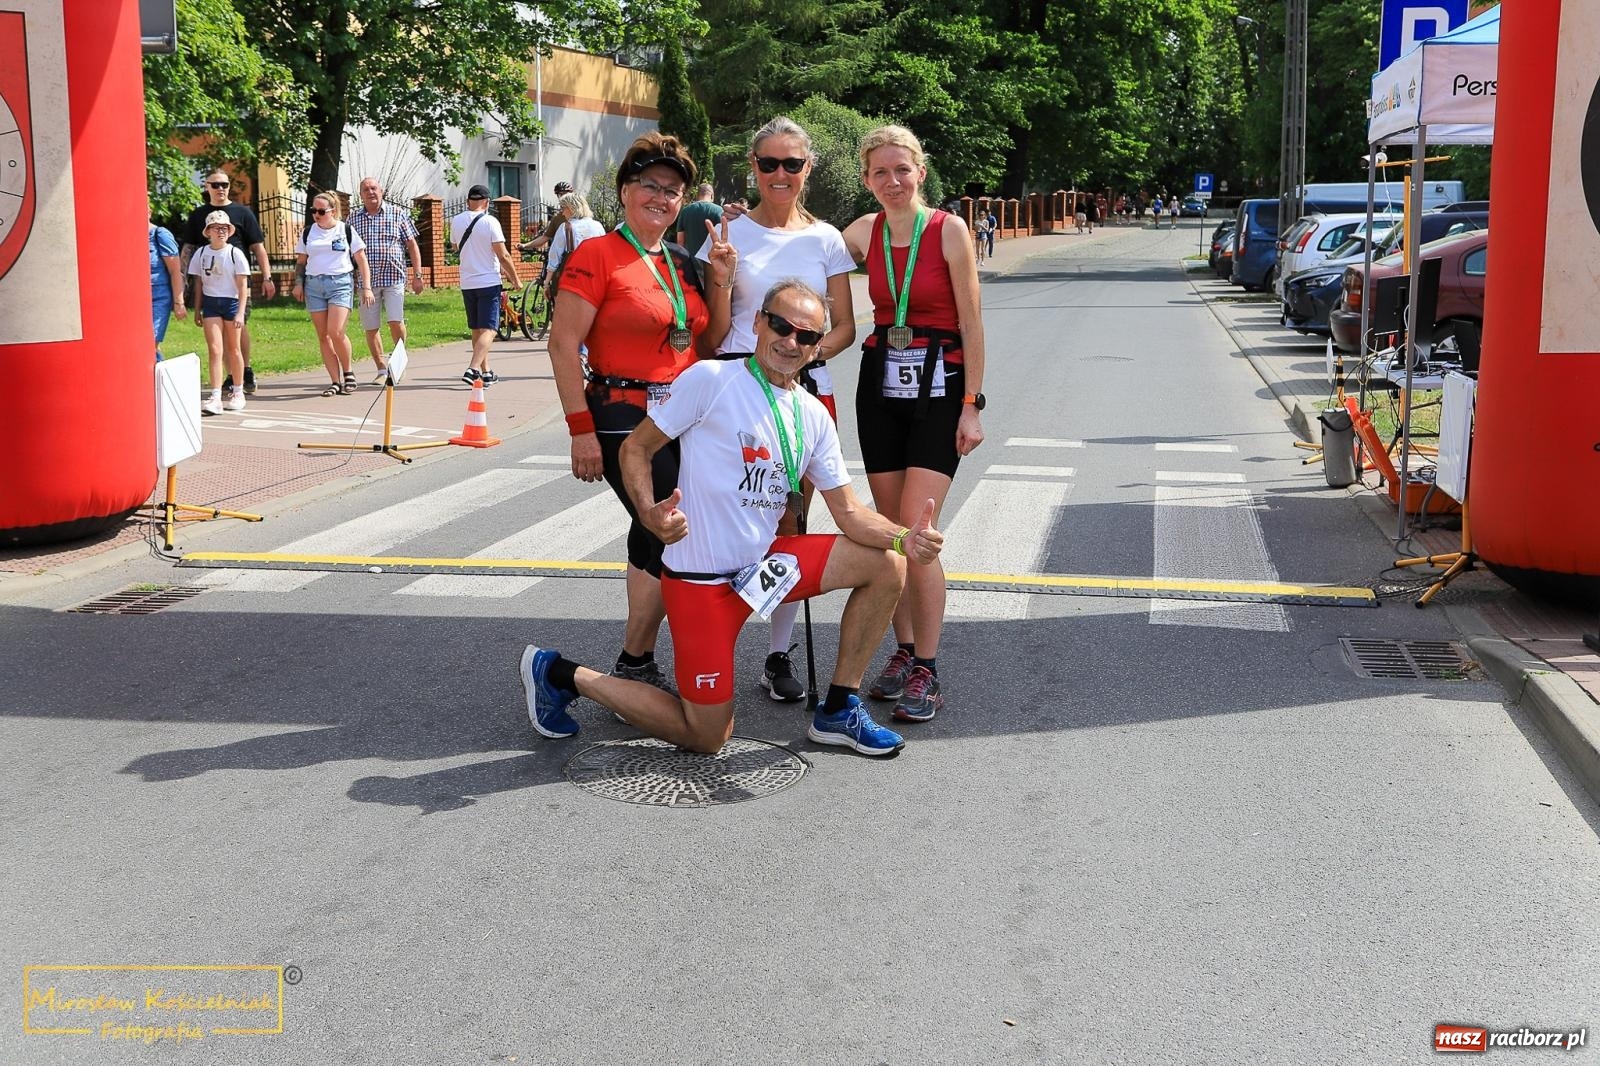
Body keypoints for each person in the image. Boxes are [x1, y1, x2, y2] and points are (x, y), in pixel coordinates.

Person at [520, 280, 943, 758]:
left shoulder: (813, 415)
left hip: (761, 568)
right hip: (702, 583)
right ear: (759, 322)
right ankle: (558, 673)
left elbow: (848, 512)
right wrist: (648, 514)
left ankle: (840, 709)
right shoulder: (710, 380)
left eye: (806, 336)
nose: (790, 341)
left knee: (888, 563)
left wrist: (906, 537)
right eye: (781, 325)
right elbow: (637, 448)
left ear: (816, 347)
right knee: (707, 737)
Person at [547, 132, 736, 694]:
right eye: (650, 185)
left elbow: (710, 341)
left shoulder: (680, 260)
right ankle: (660, 658)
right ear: (626, 191)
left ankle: (636, 659)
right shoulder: (595, 254)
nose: (661, 196)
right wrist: (581, 431)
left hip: (682, 414)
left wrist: (721, 282)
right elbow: (562, 345)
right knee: (672, 524)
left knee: (649, 529)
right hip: (620, 414)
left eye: (672, 190)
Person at [697, 115, 857, 704]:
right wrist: (720, 277)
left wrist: (802, 360)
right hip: (738, 386)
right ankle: (709, 634)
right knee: (731, 516)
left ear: (808, 168)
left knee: (791, 519)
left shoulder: (826, 239)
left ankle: (776, 652)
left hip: (806, 387)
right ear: (753, 168)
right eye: (769, 164)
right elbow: (714, 333)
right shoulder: (727, 232)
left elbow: (845, 326)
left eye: (792, 163)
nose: (781, 174)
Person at [841, 124, 986, 723]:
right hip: (880, 385)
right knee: (891, 533)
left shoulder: (949, 231)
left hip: (940, 386)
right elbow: (797, 241)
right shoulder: (860, 232)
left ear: (920, 171)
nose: (892, 181)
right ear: (866, 180)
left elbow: (973, 323)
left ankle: (927, 665)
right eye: (880, 172)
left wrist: (973, 402)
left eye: (902, 170)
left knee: (919, 530)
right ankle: (902, 652)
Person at [180, 170, 275, 395]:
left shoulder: (242, 213)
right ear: (207, 187)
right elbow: (188, 249)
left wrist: (267, 277)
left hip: (237, 280)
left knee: (239, 325)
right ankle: (231, 376)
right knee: (219, 334)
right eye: (216, 185)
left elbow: (258, 247)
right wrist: (182, 279)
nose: (220, 189)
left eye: (224, 184)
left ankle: (244, 370)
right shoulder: (199, 215)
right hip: (212, 282)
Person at [292, 192, 374, 395]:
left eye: (321, 211)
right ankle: (335, 381)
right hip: (314, 285)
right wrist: (298, 284)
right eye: (313, 211)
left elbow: (361, 259)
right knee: (323, 336)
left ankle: (348, 373)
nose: (316, 215)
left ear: (333, 211)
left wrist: (366, 287)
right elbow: (301, 262)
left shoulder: (345, 230)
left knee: (336, 332)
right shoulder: (308, 232)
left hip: (340, 283)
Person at [348, 177, 424, 384]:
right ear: (361, 194)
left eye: (373, 188)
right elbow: (347, 251)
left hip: (394, 278)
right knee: (371, 327)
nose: (370, 192)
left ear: (381, 191)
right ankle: (381, 369)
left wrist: (417, 276)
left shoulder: (398, 214)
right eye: (365, 189)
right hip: (366, 285)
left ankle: (399, 362)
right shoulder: (353, 219)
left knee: (395, 321)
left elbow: (412, 245)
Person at [450, 184, 521, 386]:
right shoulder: (491, 222)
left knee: (477, 329)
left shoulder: (456, 220)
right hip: (488, 282)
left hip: (467, 282)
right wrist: (515, 279)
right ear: (487, 202)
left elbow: (456, 246)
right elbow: (503, 254)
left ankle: (486, 372)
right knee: (490, 329)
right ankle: (473, 369)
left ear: (467, 202)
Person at [187, 211, 250, 415]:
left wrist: (241, 312)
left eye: (224, 228)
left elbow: (242, 286)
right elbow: (198, 283)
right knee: (215, 350)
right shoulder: (201, 253)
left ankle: (238, 391)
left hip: (231, 302)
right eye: (216, 228)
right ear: (208, 232)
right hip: (211, 303)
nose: (221, 231)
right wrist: (197, 309)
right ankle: (215, 395)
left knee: (234, 349)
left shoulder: (235, 253)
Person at [543, 191, 606, 296]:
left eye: (563, 208)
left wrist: (546, 283)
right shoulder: (597, 226)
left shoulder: (566, 228)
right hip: (595, 280)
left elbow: (554, 257)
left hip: (572, 280)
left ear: (571, 208)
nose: (562, 213)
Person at [149, 210, 185, 359]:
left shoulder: (160, 234)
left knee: (150, 344)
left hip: (158, 298)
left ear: (149, 212)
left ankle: (158, 380)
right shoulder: (127, 235)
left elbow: (175, 271)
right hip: (134, 300)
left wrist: (179, 303)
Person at [518, 180, 576, 257]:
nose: (562, 197)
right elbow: (545, 237)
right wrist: (524, 245)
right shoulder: (557, 218)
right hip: (562, 256)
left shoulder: (582, 215)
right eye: (560, 195)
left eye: (565, 194)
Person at [674, 183, 723, 258]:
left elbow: (680, 240)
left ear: (697, 195)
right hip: (711, 261)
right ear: (712, 196)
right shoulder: (719, 211)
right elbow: (722, 238)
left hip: (690, 261)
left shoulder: (685, 211)